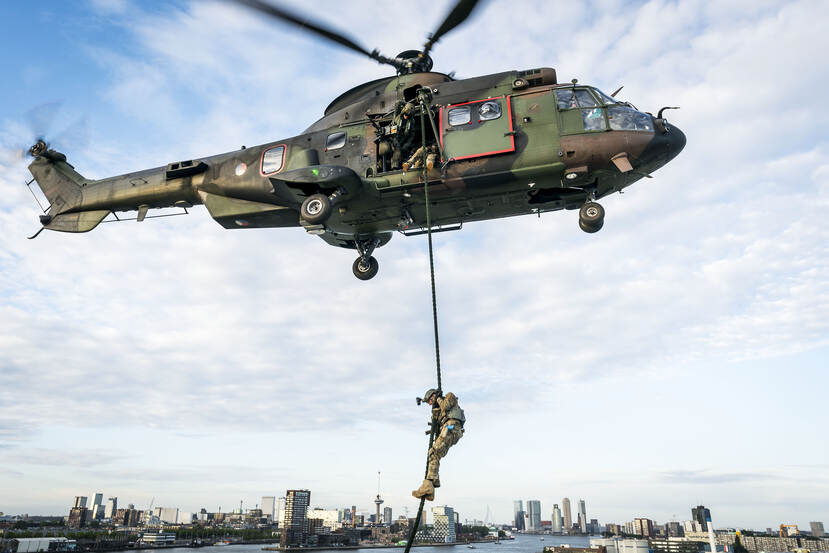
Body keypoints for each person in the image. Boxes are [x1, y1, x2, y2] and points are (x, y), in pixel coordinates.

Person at [412, 388, 465, 501]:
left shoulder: (450, 396)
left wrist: (438, 399)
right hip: (450, 430)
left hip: (451, 426)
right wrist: (435, 413)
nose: (430, 403)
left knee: (434, 452)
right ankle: (432, 485)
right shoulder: (438, 411)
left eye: (430, 400)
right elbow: (437, 429)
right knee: (435, 455)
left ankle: (428, 485)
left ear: (433, 396)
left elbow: (445, 406)